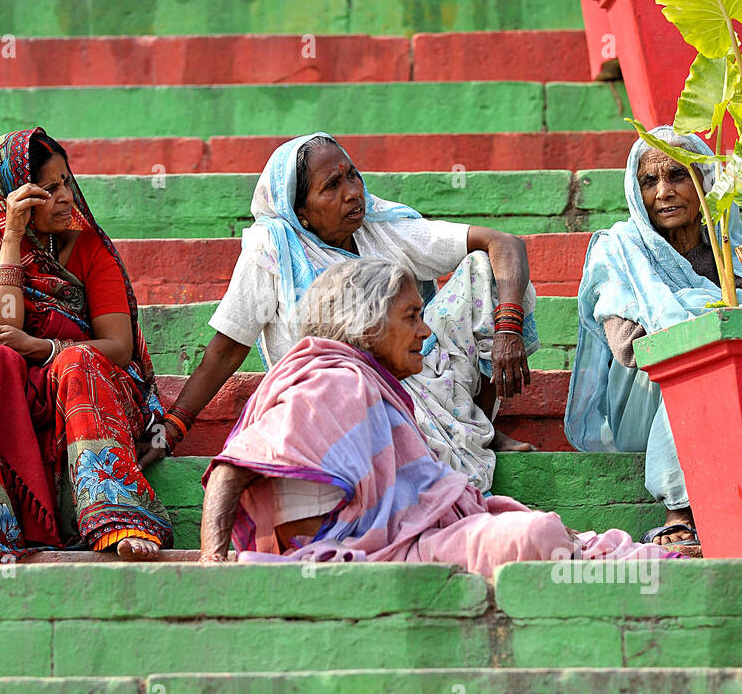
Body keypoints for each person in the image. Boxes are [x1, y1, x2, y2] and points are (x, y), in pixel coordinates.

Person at [200, 260, 666, 579]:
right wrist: (212, 560)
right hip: (377, 553)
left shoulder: (363, 381)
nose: (425, 332)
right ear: (367, 326)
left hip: (400, 544)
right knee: (535, 534)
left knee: (544, 532)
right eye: (411, 316)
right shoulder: (336, 382)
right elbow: (230, 469)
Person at [155, 132, 539, 493]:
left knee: (486, 270)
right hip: (343, 399)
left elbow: (502, 244)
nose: (353, 193)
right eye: (331, 187)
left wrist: (508, 328)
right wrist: (173, 428)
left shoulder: (378, 224)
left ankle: (479, 426)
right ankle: (459, 439)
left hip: (424, 375)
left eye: (351, 175)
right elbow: (226, 349)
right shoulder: (271, 250)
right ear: (299, 210)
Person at [0, 128, 173, 568]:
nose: (66, 197)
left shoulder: (89, 248)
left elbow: (119, 349)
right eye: (48, 189)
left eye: (66, 181)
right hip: (13, 401)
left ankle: (119, 516)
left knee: (77, 358)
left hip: (88, 394)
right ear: (11, 200)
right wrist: (11, 241)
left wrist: (44, 348)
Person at [565, 126, 742, 552]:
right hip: (645, 402)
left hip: (727, 398)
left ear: (703, 180)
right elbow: (627, 348)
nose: (663, 192)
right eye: (649, 181)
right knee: (690, 342)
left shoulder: (732, 249)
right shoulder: (620, 249)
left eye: (678, 176)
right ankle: (678, 513)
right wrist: (699, 317)